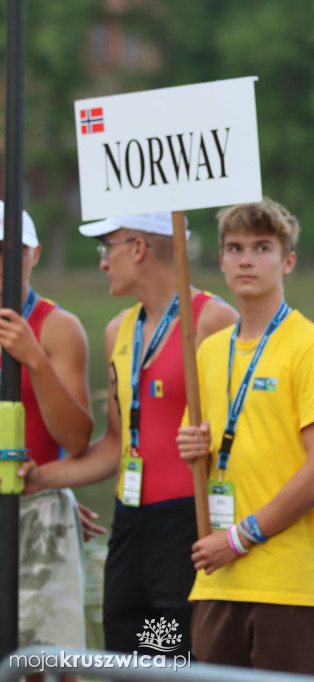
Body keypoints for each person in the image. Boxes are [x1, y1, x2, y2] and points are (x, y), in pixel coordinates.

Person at [21, 212, 237, 655]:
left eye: (107, 248)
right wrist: (42, 479)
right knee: (126, 659)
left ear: (138, 249)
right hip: (130, 525)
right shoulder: (118, 330)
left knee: (171, 660)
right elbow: (117, 447)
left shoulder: (213, 319)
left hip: (185, 527)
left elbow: (243, 432)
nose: (101, 262)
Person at [175, 198, 314, 675]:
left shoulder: (313, 348)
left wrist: (239, 537)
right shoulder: (209, 351)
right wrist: (193, 448)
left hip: (287, 581)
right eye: (234, 248)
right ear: (221, 260)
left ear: (287, 261)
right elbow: (216, 450)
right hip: (217, 581)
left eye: (261, 248)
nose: (246, 259)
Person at [0, 201, 92, 666]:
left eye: (10, 250)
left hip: (37, 512)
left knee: (49, 665)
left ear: (33, 253)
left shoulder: (58, 327)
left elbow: (76, 440)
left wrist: (33, 358)